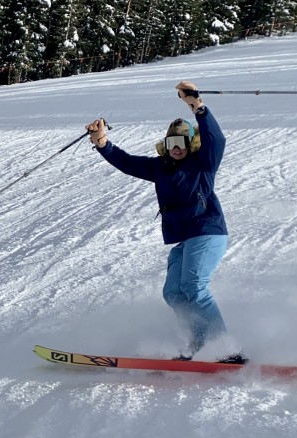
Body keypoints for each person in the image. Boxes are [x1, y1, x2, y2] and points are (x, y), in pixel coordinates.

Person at [85, 80, 246, 364]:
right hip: (186, 238)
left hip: (207, 231)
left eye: (182, 142)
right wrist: (102, 143)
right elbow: (128, 162)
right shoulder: (160, 168)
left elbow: (217, 140)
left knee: (195, 287)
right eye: (171, 142)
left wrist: (197, 107)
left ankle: (224, 347)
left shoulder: (202, 163)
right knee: (173, 292)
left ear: (191, 143)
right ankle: (200, 343)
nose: (176, 148)